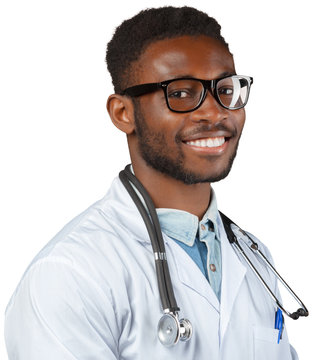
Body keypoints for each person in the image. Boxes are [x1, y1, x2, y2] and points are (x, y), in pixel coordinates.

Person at [5, 6, 301, 359]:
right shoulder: (70, 274)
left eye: (225, 88)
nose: (214, 111)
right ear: (123, 113)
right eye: (180, 93)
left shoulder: (254, 257)